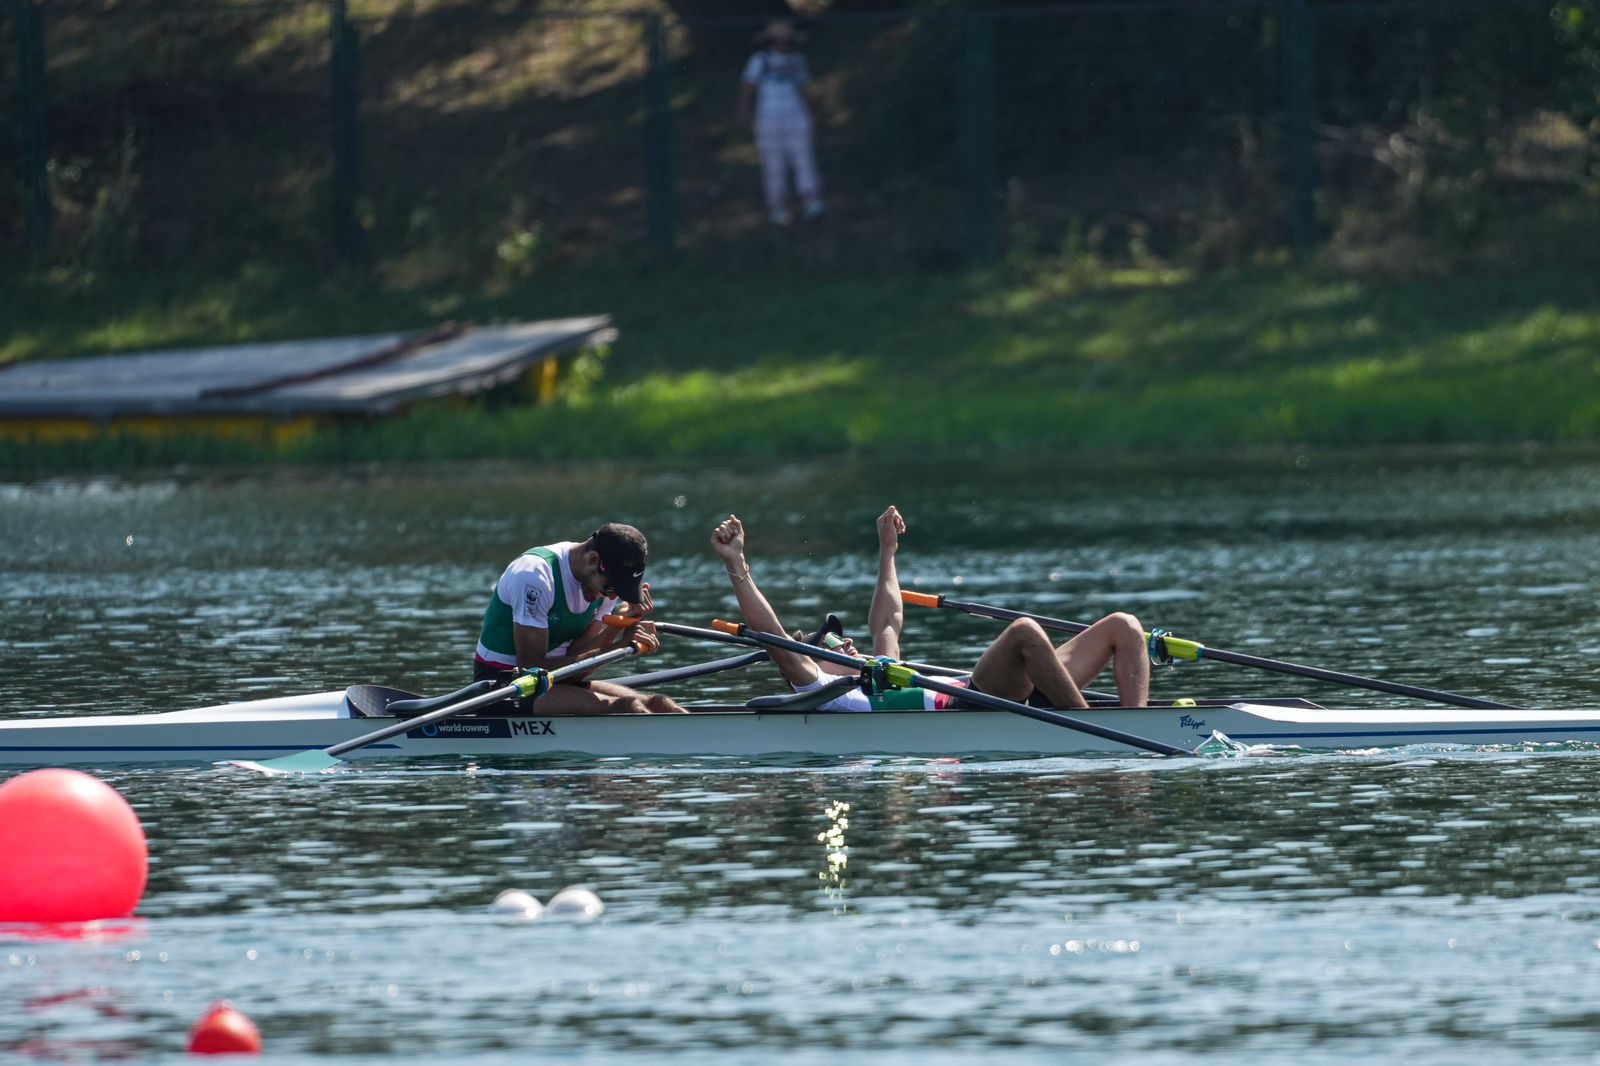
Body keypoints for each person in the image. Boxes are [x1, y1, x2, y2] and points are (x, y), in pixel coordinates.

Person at [711, 507, 1152, 711]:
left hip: (995, 692)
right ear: (810, 662)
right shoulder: (820, 686)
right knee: (1023, 632)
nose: (845, 642)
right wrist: (738, 564)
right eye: (830, 644)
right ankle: (1091, 730)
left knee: (1124, 626)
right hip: (971, 706)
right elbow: (773, 635)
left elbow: (887, 619)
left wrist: (887, 551)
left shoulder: (882, 670)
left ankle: (1137, 726)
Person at [473, 523, 685, 714]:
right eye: (611, 588)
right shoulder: (535, 575)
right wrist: (620, 645)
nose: (612, 596)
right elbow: (531, 669)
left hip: (556, 679)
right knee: (630, 708)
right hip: (504, 685)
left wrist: (619, 624)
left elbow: (577, 659)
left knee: (660, 704)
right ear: (593, 561)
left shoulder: (600, 582)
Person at [739, 19, 825, 226]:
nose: (782, 43)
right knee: (774, 164)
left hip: (796, 117)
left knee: (803, 159)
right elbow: (748, 89)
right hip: (768, 119)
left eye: (785, 39)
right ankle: (778, 208)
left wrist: (811, 113)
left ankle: (811, 201)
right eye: (777, 39)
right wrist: (745, 114)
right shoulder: (759, 60)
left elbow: (802, 88)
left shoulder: (797, 61)